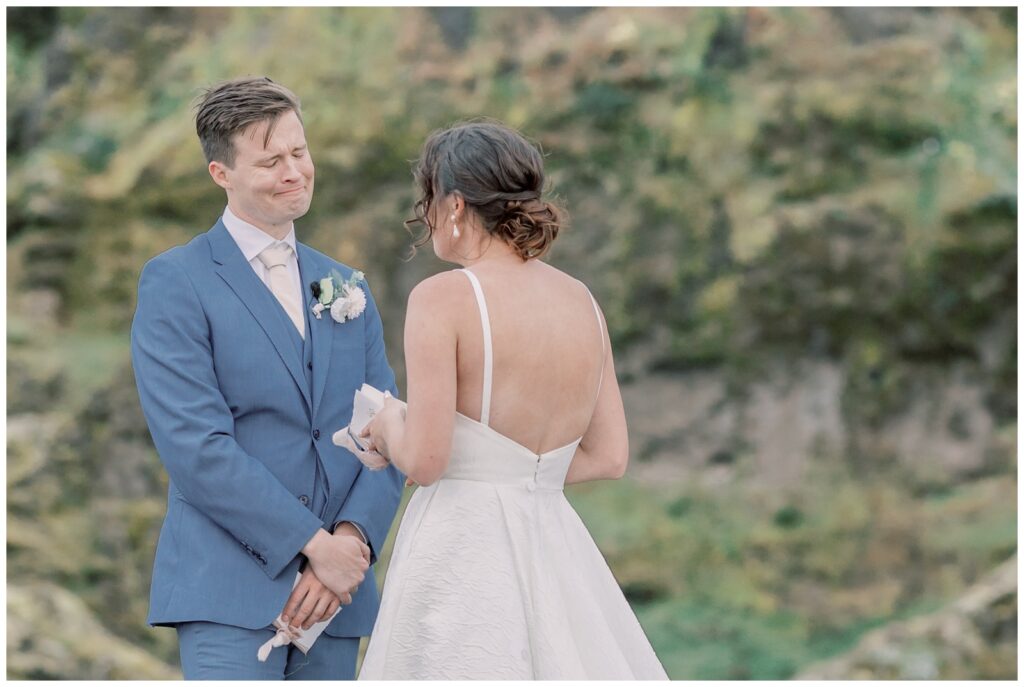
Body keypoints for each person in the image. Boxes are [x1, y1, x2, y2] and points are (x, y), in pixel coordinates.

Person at [342, 121, 668, 679]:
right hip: (554, 541)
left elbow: (424, 460)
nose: (424, 216)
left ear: (454, 205)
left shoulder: (443, 298)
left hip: (465, 546)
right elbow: (609, 457)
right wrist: (518, 476)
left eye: (427, 200)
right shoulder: (581, 301)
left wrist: (389, 423)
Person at [130, 76, 404, 680]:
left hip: (337, 599)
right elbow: (195, 446)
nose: (293, 172)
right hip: (227, 588)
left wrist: (351, 546)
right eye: (270, 160)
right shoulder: (176, 281)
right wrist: (313, 546)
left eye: (299, 153)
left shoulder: (346, 286)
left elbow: (389, 429)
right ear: (220, 174)